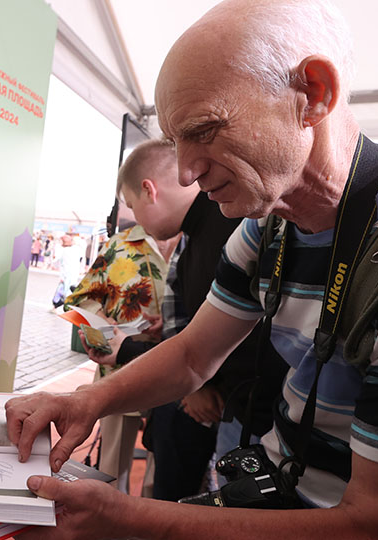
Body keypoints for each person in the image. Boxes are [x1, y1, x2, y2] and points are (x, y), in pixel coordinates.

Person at [5, 0, 378, 537]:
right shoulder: (269, 226)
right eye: (177, 142)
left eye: (205, 130)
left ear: (314, 94)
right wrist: (87, 401)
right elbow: (193, 355)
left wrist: (125, 518)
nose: (186, 173)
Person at [89, 139, 271, 502]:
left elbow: (228, 338)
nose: (137, 222)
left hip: (247, 413)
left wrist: (197, 384)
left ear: (149, 190)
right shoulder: (200, 232)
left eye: (132, 206)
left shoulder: (228, 227)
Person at [63, 142, 182, 494]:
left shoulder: (196, 243)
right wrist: (102, 330)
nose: (133, 212)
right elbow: (78, 303)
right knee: (112, 469)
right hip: (119, 375)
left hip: (176, 376)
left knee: (165, 471)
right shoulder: (120, 245)